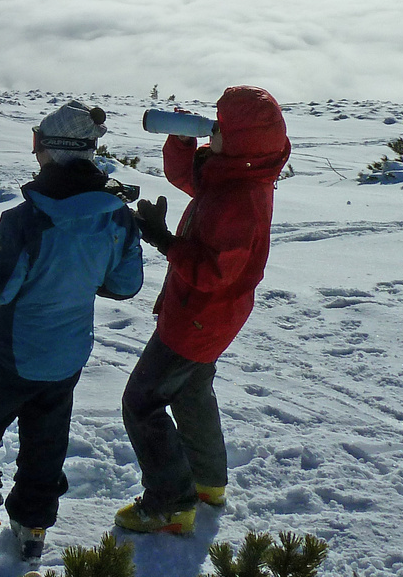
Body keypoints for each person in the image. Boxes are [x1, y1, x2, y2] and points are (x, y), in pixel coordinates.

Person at [0, 101, 146, 566]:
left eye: (37, 143)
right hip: (67, 354)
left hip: (11, 352)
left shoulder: (27, 219)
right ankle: (32, 527)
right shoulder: (117, 215)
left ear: (51, 149)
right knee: (45, 439)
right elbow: (125, 285)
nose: (34, 154)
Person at [115, 85, 290, 535]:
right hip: (209, 318)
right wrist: (182, 137)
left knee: (141, 403)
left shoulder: (241, 201)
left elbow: (213, 273)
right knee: (191, 393)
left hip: (197, 319)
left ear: (245, 141)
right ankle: (208, 481)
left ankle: (171, 503)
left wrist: (164, 239)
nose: (214, 130)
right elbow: (185, 176)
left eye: (221, 126)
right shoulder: (235, 173)